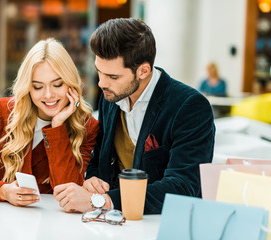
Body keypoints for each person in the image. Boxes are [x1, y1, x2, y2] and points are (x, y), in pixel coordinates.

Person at [53, 18, 215, 214]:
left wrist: (101, 201)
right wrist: (92, 180)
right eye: (99, 72)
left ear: (143, 71)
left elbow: (182, 187)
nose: (102, 84)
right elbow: (99, 157)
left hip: (161, 225)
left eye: (113, 77)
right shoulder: (110, 97)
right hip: (109, 223)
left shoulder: (190, 107)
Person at [0, 38, 99, 207]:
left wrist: (57, 126)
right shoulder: (2, 112)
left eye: (57, 84)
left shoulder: (87, 127)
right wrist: (3, 191)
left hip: (51, 224)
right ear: (28, 88)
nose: (49, 95)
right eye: (38, 87)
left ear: (70, 84)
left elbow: (67, 192)